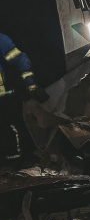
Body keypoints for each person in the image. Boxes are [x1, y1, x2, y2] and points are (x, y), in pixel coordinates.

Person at [0, 33, 48, 165]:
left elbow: (20, 60)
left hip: (7, 97)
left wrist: (30, 84)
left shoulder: (1, 40)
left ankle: (29, 158)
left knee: (21, 125)